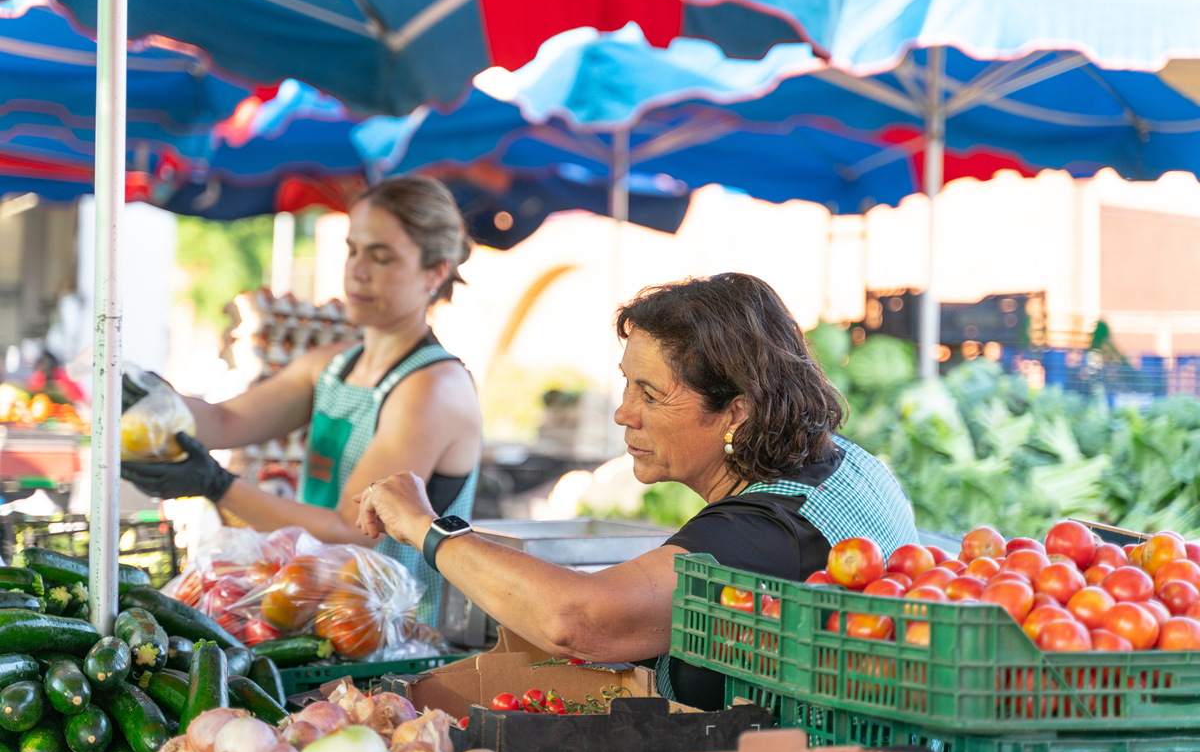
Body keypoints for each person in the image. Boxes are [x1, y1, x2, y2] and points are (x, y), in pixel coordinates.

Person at [355, 272, 919, 709]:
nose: (625, 413)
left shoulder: (763, 537)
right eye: (627, 384)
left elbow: (576, 622)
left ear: (735, 412)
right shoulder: (843, 462)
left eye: (650, 394)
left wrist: (430, 530)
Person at [122, 177, 483, 624]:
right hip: (319, 614)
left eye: (381, 256)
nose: (357, 270)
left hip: (395, 639)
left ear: (436, 271)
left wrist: (217, 485)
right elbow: (227, 420)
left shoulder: (432, 388)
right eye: (353, 249)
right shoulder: (333, 365)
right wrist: (150, 401)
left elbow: (348, 532)